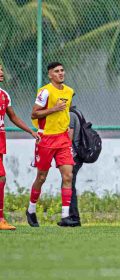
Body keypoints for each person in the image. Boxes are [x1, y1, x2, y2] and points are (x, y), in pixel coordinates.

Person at [26, 62, 78, 227]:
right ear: (50, 75)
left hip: (62, 139)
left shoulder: (69, 91)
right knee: (41, 177)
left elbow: (66, 112)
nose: (61, 73)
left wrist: (69, 129)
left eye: (62, 70)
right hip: (46, 138)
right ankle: (31, 210)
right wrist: (53, 109)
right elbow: (34, 112)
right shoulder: (45, 91)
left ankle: (65, 217)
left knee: (68, 175)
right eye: (56, 71)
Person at [0, 64, 39, 230]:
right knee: (1, 177)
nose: (2, 72)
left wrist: (30, 131)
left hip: (1, 139)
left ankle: (1, 218)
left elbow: (13, 117)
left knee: (1, 177)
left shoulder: (4, 95)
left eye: (2, 68)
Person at [59, 105, 84, 227]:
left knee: (68, 184)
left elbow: (69, 137)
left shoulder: (69, 115)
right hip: (76, 154)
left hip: (72, 155)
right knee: (69, 183)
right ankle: (71, 216)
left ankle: (73, 217)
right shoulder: (76, 112)